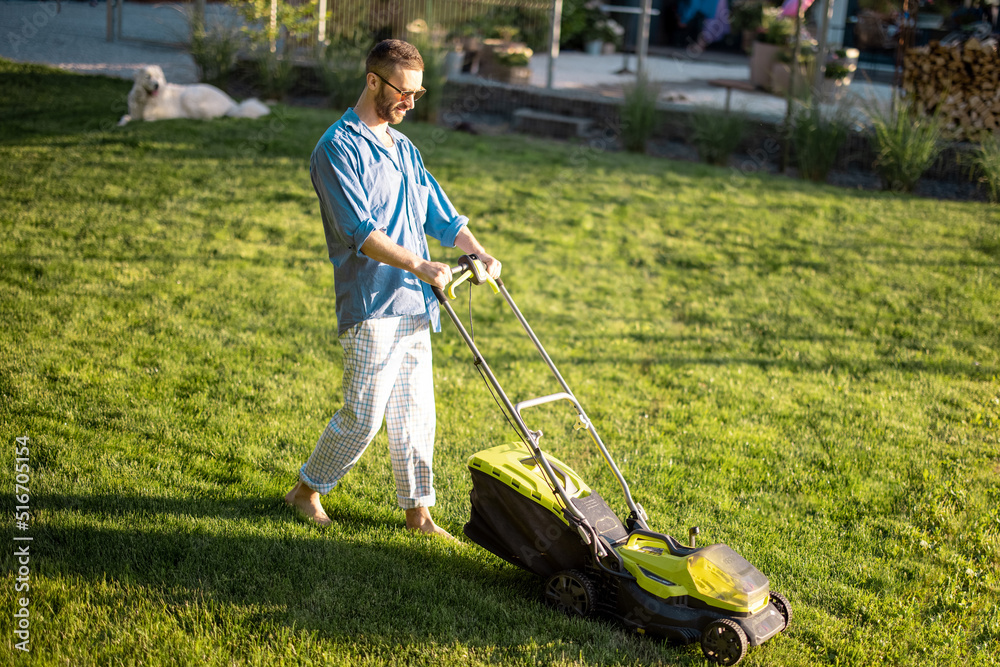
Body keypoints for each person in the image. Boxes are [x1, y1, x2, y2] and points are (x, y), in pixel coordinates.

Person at [285, 39, 501, 538]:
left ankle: (418, 514)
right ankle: (306, 490)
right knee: (364, 415)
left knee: (415, 416)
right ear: (372, 81)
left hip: (416, 303)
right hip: (372, 304)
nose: (408, 102)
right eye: (402, 92)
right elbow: (360, 231)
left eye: (416, 94)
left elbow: (440, 214)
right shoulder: (337, 148)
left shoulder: (404, 148)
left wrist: (477, 250)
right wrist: (419, 264)